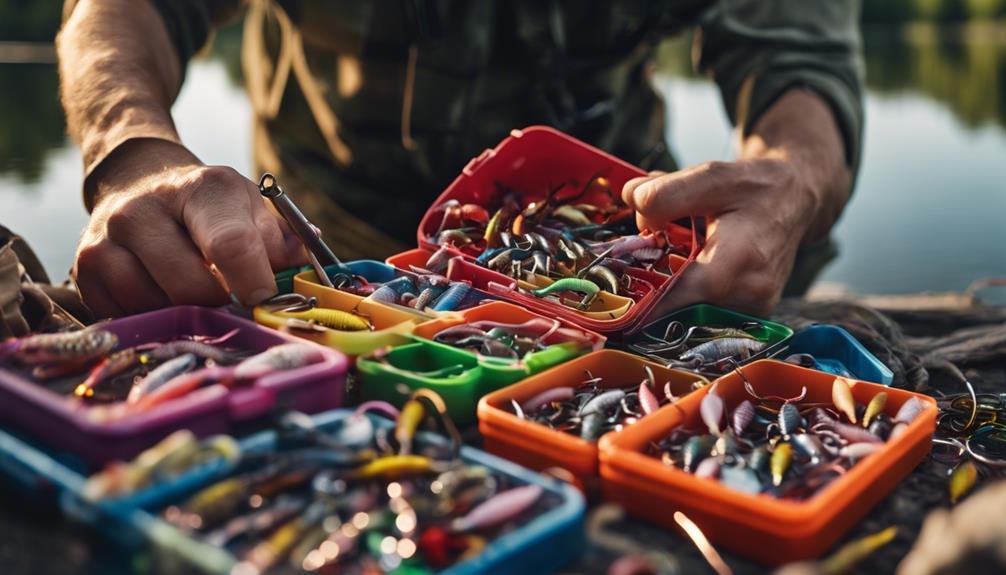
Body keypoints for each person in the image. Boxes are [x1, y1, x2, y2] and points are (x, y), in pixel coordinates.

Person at [57, 0, 862, 318]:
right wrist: (136, 153)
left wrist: (792, 176)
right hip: (319, 250)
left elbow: (800, 63)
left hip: (625, 264)